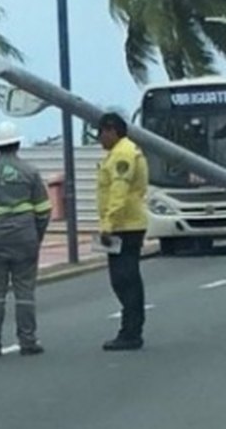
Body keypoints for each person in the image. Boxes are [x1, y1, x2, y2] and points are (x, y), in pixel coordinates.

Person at [0, 120, 52, 357]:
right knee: (25, 291)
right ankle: (28, 340)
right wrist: (36, 236)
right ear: (17, 144)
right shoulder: (30, 172)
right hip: (25, 237)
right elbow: (44, 210)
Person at [96, 112, 149, 351]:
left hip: (123, 226)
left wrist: (108, 226)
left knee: (125, 279)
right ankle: (130, 330)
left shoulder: (122, 155)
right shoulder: (122, 152)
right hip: (125, 224)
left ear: (112, 130)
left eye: (102, 133)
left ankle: (130, 332)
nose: (99, 139)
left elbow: (119, 192)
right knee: (125, 279)